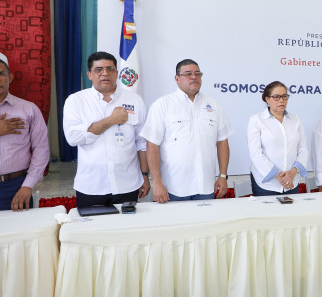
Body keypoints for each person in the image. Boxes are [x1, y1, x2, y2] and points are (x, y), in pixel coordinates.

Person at [63, 51, 149, 208]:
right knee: (92, 224)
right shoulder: (76, 101)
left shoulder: (135, 100)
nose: (105, 73)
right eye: (98, 69)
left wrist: (144, 175)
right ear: (89, 75)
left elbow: (141, 143)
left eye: (110, 69)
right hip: (91, 186)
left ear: (117, 73)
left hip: (128, 184)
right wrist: (111, 120)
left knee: (127, 223)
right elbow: (73, 138)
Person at [141, 59, 233, 202]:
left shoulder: (213, 105)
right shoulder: (162, 105)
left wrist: (222, 176)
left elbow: (222, 142)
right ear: (176, 78)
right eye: (188, 74)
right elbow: (151, 146)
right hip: (174, 188)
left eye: (197, 73)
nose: (194, 77)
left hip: (206, 186)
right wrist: (157, 183)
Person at [0, 52, 49, 211]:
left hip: (16, 187)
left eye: (1, 74)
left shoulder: (28, 109)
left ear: (10, 78)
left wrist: (27, 186)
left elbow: (41, 149)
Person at [247, 81, 308, 196]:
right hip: (266, 184)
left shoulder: (295, 120)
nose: (281, 100)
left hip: (291, 181)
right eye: (276, 97)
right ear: (267, 99)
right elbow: (256, 153)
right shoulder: (257, 120)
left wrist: (292, 173)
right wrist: (279, 176)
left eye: (284, 96)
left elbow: (302, 149)